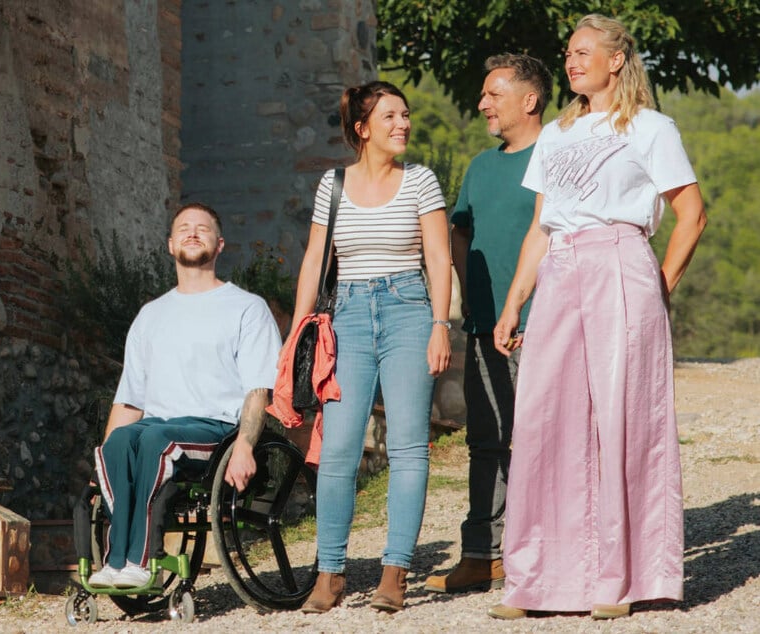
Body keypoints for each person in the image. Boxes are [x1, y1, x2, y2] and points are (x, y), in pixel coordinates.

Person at [487, 14, 706, 620]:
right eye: (567, 52)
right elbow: (540, 225)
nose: (571, 61)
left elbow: (691, 215)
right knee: (542, 419)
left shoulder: (651, 127)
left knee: (620, 415)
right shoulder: (555, 134)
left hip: (622, 262)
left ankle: (619, 580)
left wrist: (657, 286)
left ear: (616, 60)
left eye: (584, 52)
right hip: (559, 269)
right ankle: (535, 581)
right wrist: (513, 303)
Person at [293, 80, 453, 614]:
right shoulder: (331, 184)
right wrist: (297, 333)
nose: (403, 124)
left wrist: (439, 324)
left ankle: (394, 572)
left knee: (407, 447)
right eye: (390, 117)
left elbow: (438, 257)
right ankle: (330, 574)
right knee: (338, 448)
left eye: (405, 115)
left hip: (409, 308)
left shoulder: (421, 181)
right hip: (351, 318)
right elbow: (315, 259)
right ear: (362, 130)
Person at [88, 202, 282, 588]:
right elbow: (129, 400)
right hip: (157, 429)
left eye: (203, 228)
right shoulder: (150, 316)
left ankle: (139, 562)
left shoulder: (246, 308)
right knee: (116, 443)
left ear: (220, 244)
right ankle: (115, 564)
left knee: (156, 440)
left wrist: (244, 445)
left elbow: (258, 389)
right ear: (170, 245)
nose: (193, 233)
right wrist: (106, 466)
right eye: (184, 228)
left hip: (216, 429)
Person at [425, 53, 553, 594]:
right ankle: (481, 554)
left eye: (493, 94)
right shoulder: (481, 165)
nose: (482, 104)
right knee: (486, 440)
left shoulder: (560, 156)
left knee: (544, 440)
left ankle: (543, 554)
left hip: (546, 324)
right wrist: (472, 298)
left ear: (530, 99)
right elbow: (459, 231)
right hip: (483, 326)